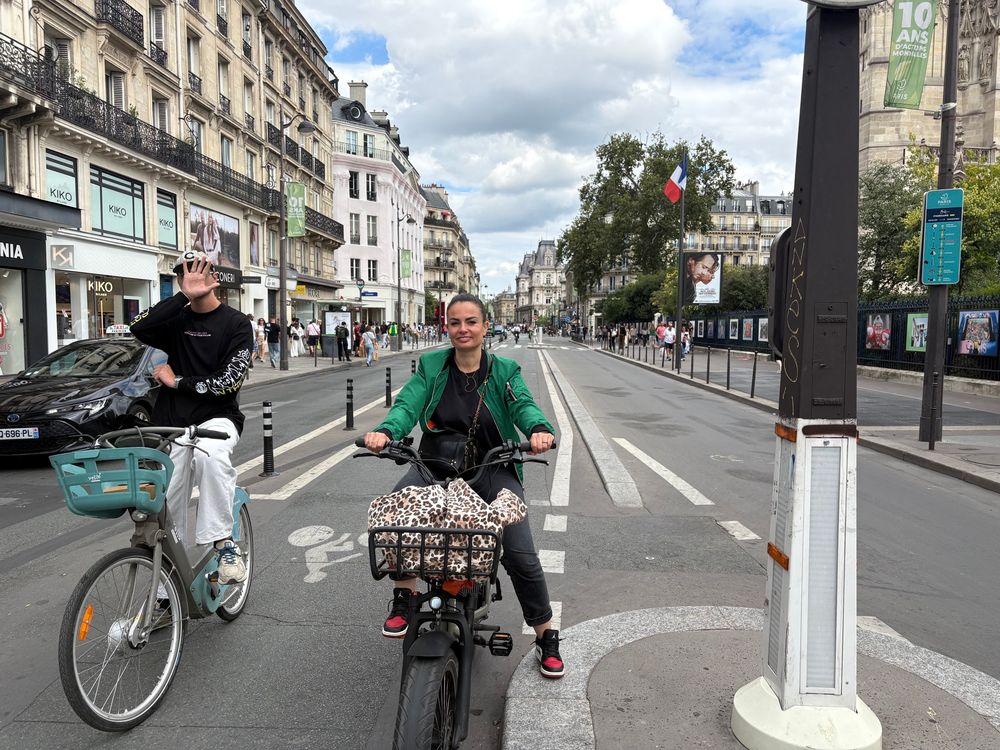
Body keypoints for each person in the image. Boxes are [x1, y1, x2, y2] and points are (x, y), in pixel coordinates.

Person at [362, 293, 564, 679]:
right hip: (436, 463)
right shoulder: (433, 364)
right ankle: (404, 596)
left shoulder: (504, 369)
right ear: (447, 327)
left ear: (485, 327)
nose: (463, 329)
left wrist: (538, 429)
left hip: (493, 465)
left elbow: (522, 404)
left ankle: (546, 635)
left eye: (471, 322)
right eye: (455, 322)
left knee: (520, 552)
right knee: (397, 513)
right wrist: (387, 431)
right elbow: (408, 403)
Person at [129, 251, 252, 584]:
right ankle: (166, 592)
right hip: (172, 423)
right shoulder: (176, 319)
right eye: (183, 275)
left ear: (214, 278)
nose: (191, 278)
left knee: (211, 458)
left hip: (218, 418)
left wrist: (179, 381)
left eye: (197, 273)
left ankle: (224, 543)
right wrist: (183, 296)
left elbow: (228, 383)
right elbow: (137, 326)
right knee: (166, 505)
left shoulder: (237, 324)